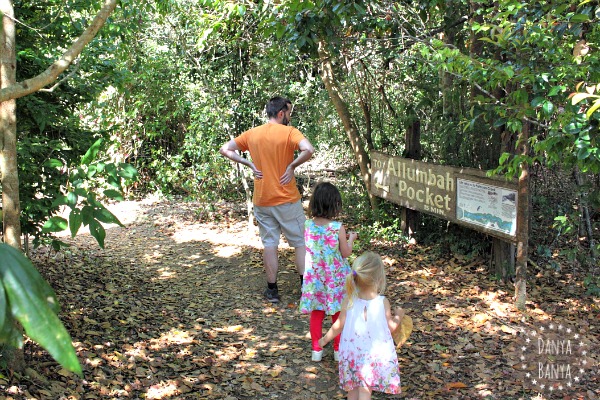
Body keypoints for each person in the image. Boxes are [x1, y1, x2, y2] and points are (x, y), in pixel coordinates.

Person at [219, 96, 314, 303]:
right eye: (288, 112)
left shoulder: (252, 134)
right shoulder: (290, 132)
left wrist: (249, 164)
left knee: (269, 243)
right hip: (287, 198)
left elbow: (225, 149)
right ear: (281, 113)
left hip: (262, 199)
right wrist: (292, 166)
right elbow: (309, 149)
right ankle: (305, 288)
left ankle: (272, 290)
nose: (289, 116)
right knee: (299, 242)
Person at [318, 251, 404, 400]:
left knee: (352, 389)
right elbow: (390, 327)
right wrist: (399, 316)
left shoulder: (349, 300)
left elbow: (338, 325)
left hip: (350, 354)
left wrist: (324, 339)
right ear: (379, 278)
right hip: (372, 356)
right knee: (365, 390)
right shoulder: (382, 302)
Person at [298, 182, 358, 362]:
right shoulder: (337, 227)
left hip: (315, 278)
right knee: (338, 313)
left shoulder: (307, 225)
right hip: (335, 279)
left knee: (317, 313)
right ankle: (338, 349)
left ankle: (316, 349)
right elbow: (346, 252)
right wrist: (352, 239)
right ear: (334, 204)